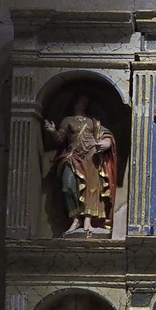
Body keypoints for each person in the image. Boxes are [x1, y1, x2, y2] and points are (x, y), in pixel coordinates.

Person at [43, 93, 117, 234]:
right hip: (73, 155)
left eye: (86, 101)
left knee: (92, 187)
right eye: (82, 101)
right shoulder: (67, 120)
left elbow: (106, 134)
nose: (85, 104)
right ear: (75, 102)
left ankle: (88, 221)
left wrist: (106, 143)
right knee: (67, 185)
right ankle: (76, 219)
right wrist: (52, 132)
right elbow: (59, 140)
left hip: (91, 155)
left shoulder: (93, 121)